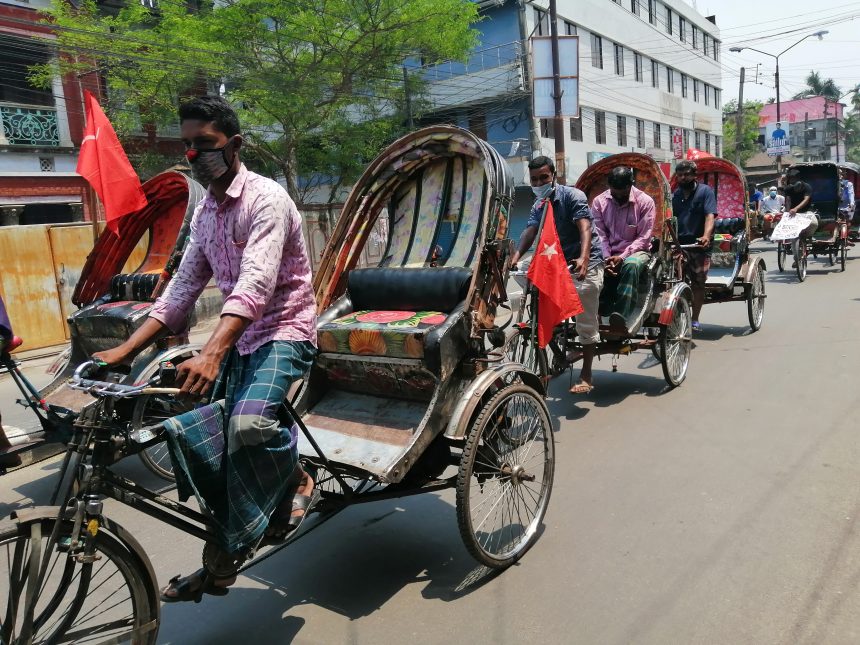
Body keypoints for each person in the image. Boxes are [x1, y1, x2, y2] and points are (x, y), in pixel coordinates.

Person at [94, 96, 318, 603]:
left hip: (285, 330)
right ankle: (218, 570)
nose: (194, 155)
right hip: (238, 338)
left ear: (234, 145)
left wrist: (213, 351)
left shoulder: (267, 200)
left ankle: (299, 479)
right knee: (214, 455)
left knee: (248, 426)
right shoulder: (207, 214)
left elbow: (256, 287)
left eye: (206, 145)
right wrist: (126, 350)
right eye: (188, 146)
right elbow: (181, 289)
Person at [510, 155, 604, 395]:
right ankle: (554, 354)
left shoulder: (573, 196)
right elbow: (530, 231)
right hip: (555, 263)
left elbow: (585, 227)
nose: (539, 182)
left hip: (584, 261)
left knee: (584, 307)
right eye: (534, 179)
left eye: (544, 177)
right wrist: (517, 256)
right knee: (532, 289)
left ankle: (587, 372)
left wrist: (583, 258)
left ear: (554, 176)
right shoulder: (538, 204)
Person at [591, 166, 656, 332]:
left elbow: (644, 237)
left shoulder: (645, 202)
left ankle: (621, 315)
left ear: (630, 186)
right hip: (607, 251)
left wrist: (623, 256)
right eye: (614, 191)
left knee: (631, 264)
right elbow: (599, 235)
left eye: (621, 191)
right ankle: (595, 311)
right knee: (587, 265)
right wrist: (606, 257)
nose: (617, 195)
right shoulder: (599, 202)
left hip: (637, 251)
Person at [671, 160, 716, 332]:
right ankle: (677, 314)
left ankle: (695, 318)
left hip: (699, 246)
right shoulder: (674, 195)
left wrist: (706, 236)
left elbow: (709, 216)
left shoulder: (705, 192)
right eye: (680, 175)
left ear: (694, 175)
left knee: (698, 283)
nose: (683, 178)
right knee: (673, 282)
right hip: (679, 246)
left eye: (687, 174)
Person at [782, 168, 817, 267]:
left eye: (794, 178)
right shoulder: (788, 188)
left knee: (814, 223)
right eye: (791, 178)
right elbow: (788, 201)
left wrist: (796, 208)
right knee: (794, 238)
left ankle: (808, 235)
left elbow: (806, 200)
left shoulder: (807, 187)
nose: (792, 180)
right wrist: (788, 211)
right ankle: (796, 258)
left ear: (798, 178)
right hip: (793, 213)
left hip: (807, 211)